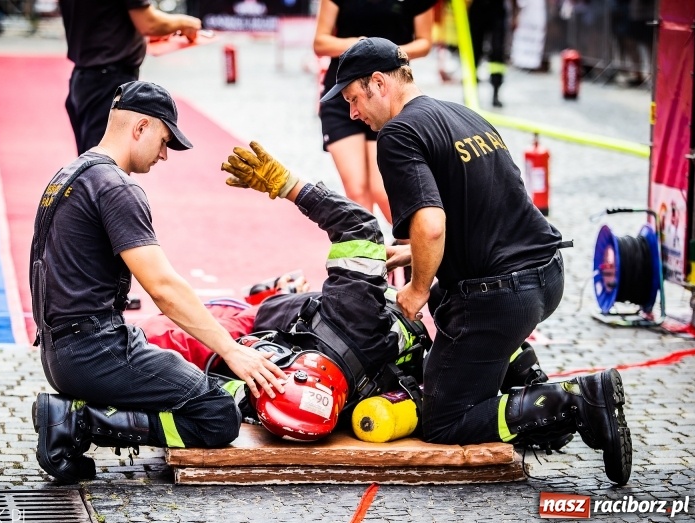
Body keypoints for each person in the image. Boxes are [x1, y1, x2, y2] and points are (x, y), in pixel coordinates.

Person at [320, 37, 632, 484]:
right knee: (455, 334)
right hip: (545, 276)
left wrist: (415, 290)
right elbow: (489, 207)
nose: (352, 114)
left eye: (353, 99)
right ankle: (521, 372)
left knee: (445, 419)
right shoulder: (462, 114)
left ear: (378, 82)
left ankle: (574, 401)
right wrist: (413, 254)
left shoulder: (399, 133)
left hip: (501, 296)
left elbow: (430, 226)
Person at [214, 141, 569, 446]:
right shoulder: (347, 320)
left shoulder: (324, 410)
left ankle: (542, 401)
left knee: (456, 386)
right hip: (458, 311)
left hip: (423, 343)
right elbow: (358, 226)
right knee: (450, 403)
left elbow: (227, 387)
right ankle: (543, 395)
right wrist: (287, 183)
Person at [30, 81, 287, 484]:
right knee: (217, 414)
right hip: (93, 351)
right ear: (141, 127)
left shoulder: (69, 174)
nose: (165, 154)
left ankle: (82, 417)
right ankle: (79, 420)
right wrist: (231, 349)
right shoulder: (116, 187)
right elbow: (163, 288)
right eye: (165, 141)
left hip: (60, 349)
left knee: (200, 384)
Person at [313, 0, 434, 223]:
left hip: (387, 97)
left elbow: (425, 42)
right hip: (343, 96)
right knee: (357, 192)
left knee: (384, 192)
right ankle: (369, 255)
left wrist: (383, 52)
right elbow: (320, 42)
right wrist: (359, 45)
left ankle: (427, 251)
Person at [57, 0, 202, 155]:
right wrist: (185, 22)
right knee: (104, 164)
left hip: (85, 76)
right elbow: (148, 23)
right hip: (108, 81)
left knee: (93, 158)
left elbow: (102, 18)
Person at [467, 0, 510, 107]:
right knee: (474, 52)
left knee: (498, 52)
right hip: (477, 8)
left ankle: (496, 92)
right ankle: (471, 91)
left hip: (497, 8)